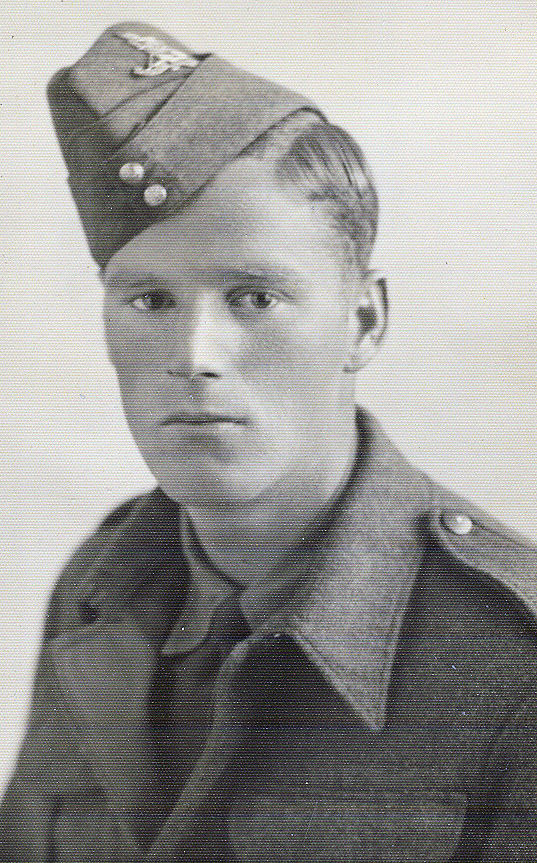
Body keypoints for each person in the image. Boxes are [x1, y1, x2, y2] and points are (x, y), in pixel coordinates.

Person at [1, 20, 536, 863]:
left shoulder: (509, 659)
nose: (194, 356)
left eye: (253, 298)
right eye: (149, 300)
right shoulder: (100, 590)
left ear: (363, 321)